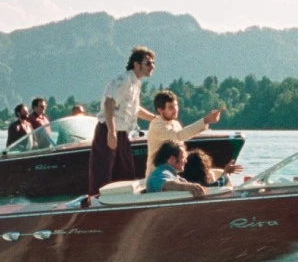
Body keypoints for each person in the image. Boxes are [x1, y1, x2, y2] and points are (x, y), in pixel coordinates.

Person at [87, 46, 158, 197]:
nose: (152, 66)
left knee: (125, 173)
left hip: (122, 133)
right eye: (148, 63)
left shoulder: (136, 83)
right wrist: (111, 132)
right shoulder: (124, 80)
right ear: (136, 65)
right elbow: (109, 103)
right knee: (102, 173)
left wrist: (155, 119)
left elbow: (135, 109)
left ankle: (122, 202)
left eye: (153, 63)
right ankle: (96, 202)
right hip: (108, 130)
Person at [145, 89, 224, 178]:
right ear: (160, 110)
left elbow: (182, 137)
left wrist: (207, 122)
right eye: (171, 107)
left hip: (174, 172)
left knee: (205, 167)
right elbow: (179, 135)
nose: (175, 110)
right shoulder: (157, 125)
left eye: (176, 105)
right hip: (158, 176)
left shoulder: (175, 124)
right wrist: (206, 120)